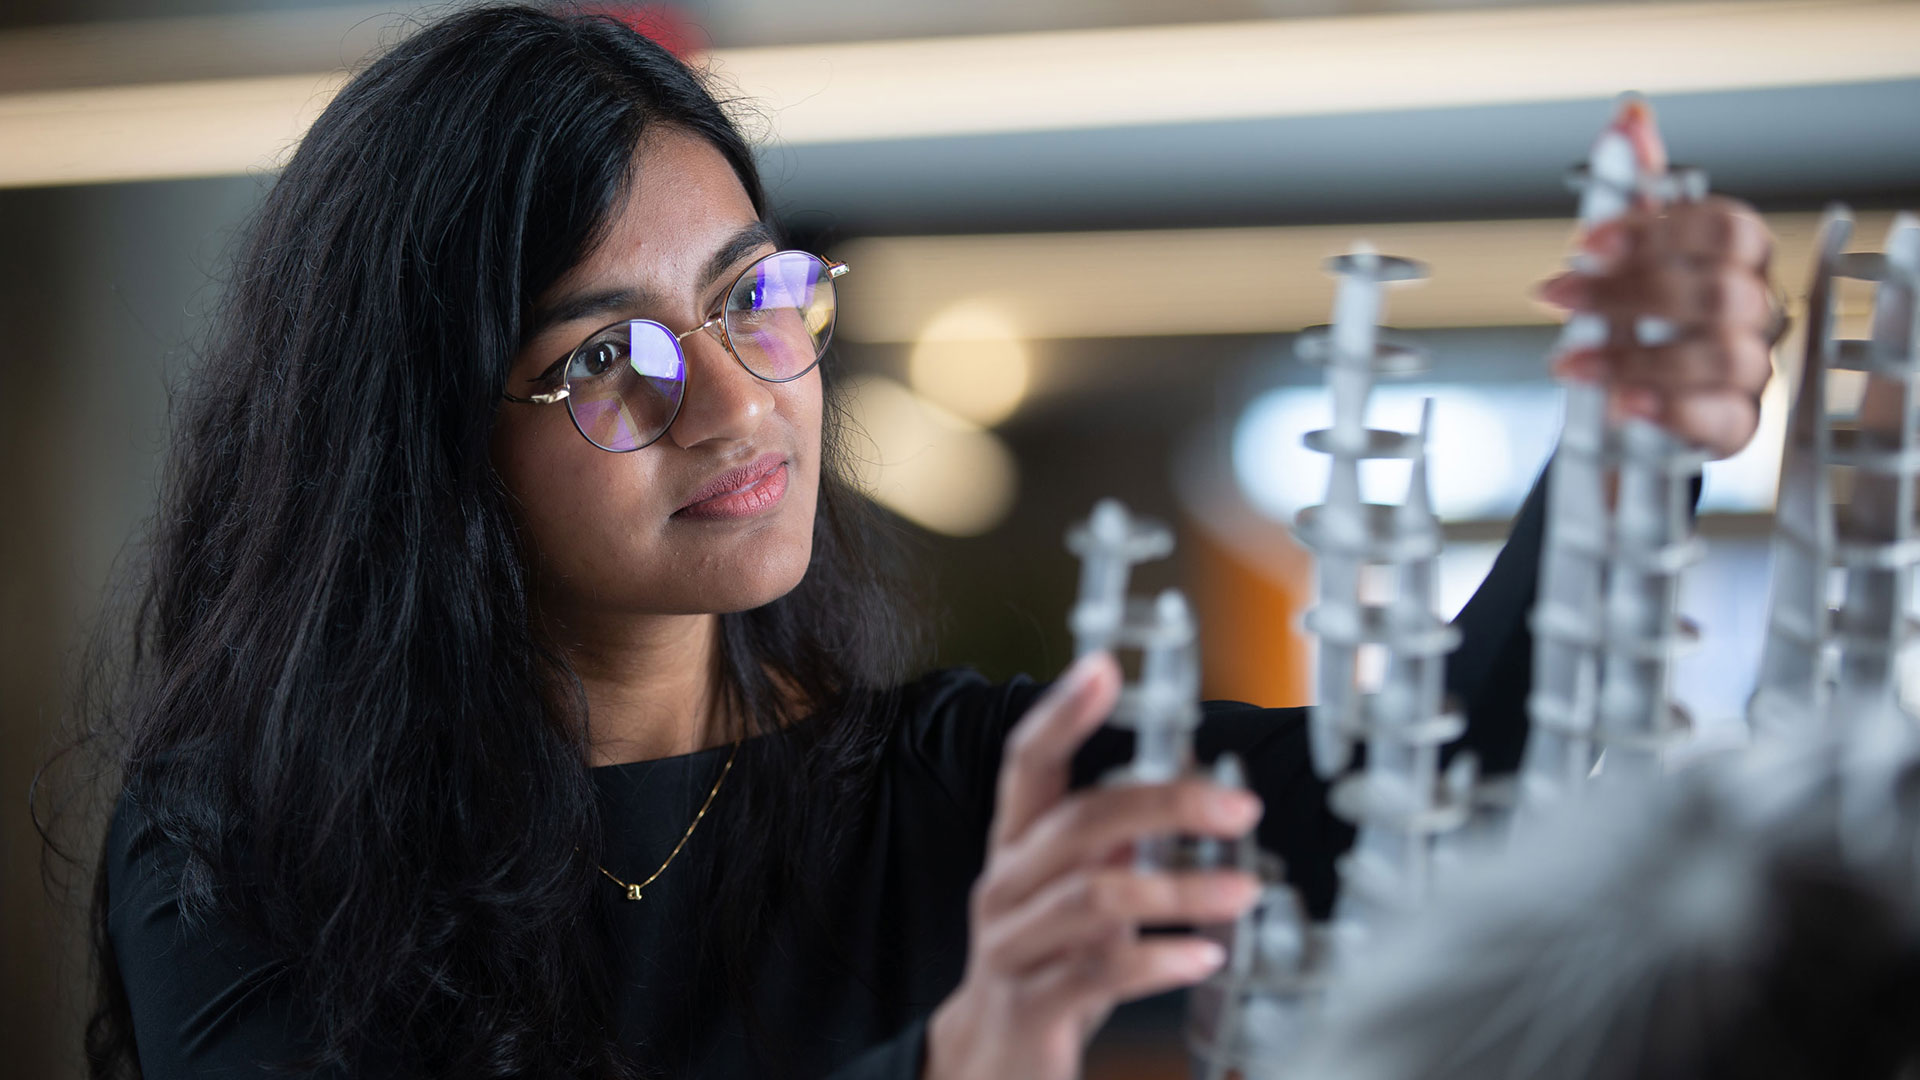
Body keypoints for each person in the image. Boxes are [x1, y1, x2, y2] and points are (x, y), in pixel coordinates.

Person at [49, 5, 1777, 1078]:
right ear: (419, 443)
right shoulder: (239, 841)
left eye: (754, 297)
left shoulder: (952, 794)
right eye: (606, 357)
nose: (739, 402)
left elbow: (1450, 777)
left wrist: (1630, 453)